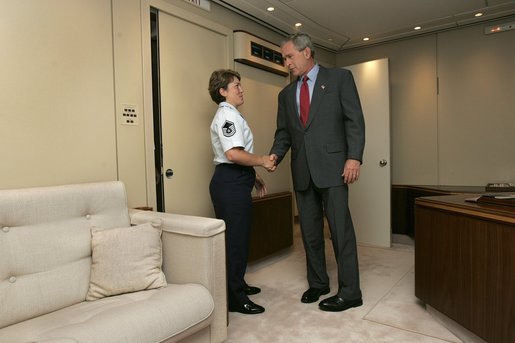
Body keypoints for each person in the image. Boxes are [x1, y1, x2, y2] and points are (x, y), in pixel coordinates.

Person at [270, 33, 365, 312]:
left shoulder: (339, 79)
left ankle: (350, 292)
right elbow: (284, 134)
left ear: (307, 52)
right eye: (284, 58)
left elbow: (354, 121)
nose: (286, 62)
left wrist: (354, 158)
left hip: (335, 169)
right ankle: (318, 283)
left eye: (290, 56)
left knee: (340, 231)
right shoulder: (286, 94)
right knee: (310, 233)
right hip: (302, 171)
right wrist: (274, 156)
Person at [208, 69, 275, 315]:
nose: (241, 89)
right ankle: (234, 298)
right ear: (222, 91)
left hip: (236, 179)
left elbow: (238, 154)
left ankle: (238, 284)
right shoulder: (227, 116)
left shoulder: (233, 114)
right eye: (236, 85)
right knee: (235, 241)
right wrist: (263, 161)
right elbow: (233, 154)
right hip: (230, 183)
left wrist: (254, 177)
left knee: (239, 237)